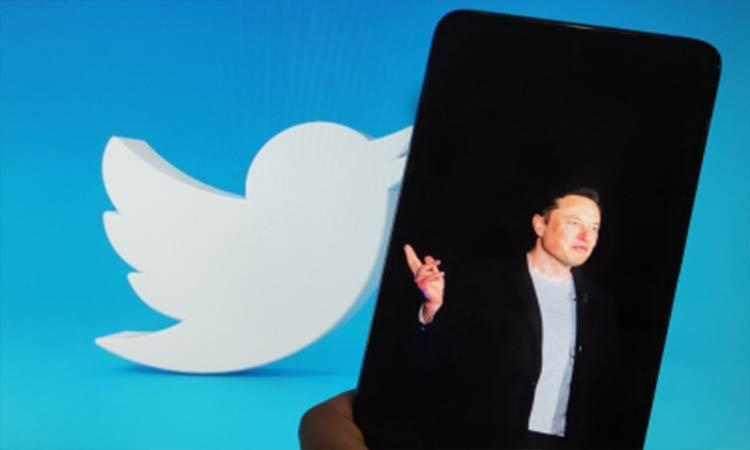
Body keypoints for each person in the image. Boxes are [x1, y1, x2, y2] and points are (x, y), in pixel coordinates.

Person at [401, 188, 624, 449]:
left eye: (594, 228)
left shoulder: (598, 305)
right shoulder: (488, 282)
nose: (586, 236)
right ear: (540, 225)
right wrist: (434, 306)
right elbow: (436, 363)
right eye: (574, 223)